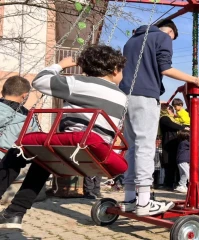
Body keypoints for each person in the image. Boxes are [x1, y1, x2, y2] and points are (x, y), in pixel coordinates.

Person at [0, 45, 128, 229]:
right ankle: (13, 214)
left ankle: (16, 212)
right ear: (115, 69)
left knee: (19, 152)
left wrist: (60, 65)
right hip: (95, 151)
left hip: (74, 142)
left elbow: (40, 81)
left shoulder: (77, 83)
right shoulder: (122, 97)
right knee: (42, 160)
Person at [119, 19, 199, 216]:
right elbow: (165, 68)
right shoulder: (162, 37)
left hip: (125, 96)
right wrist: (195, 80)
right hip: (146, 95)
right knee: (145, 146)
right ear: (170, 32)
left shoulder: (131, 40)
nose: (171, 42)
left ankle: (130, 198)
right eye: (173, 39)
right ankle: (144, 202)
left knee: (133, 147)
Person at [0, 76, 36, 200]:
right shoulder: (29, 118)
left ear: (2, 92)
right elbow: (34, 140)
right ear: (24, 95)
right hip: (9, 163)